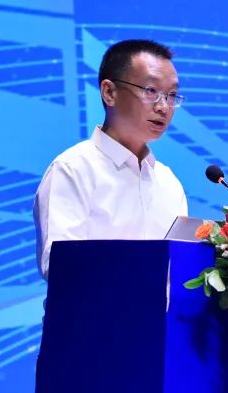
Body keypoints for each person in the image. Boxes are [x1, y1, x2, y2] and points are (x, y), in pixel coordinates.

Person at [33, 39, 189, 279]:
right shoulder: (72, 169)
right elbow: (58, 267)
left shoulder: (169, 182)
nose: (164, 107)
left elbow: (180, 274)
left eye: (172, 95)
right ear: (109, 92)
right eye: (151, 91)